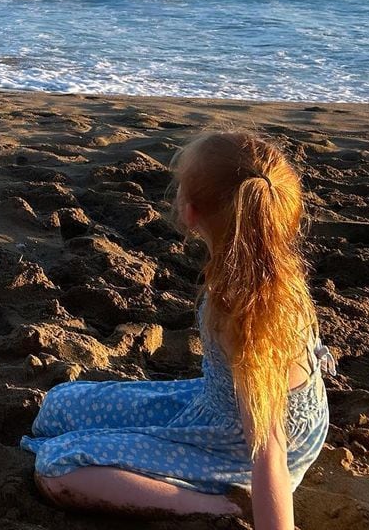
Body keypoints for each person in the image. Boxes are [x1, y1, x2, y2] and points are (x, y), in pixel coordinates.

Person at [21, 130, 334, 529]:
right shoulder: (265, 262)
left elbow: (267, 445)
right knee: (57, 407)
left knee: (57, 468)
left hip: (247, 441)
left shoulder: (243, 308)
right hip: (223, 407)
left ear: (189, 213)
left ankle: (226, 506)